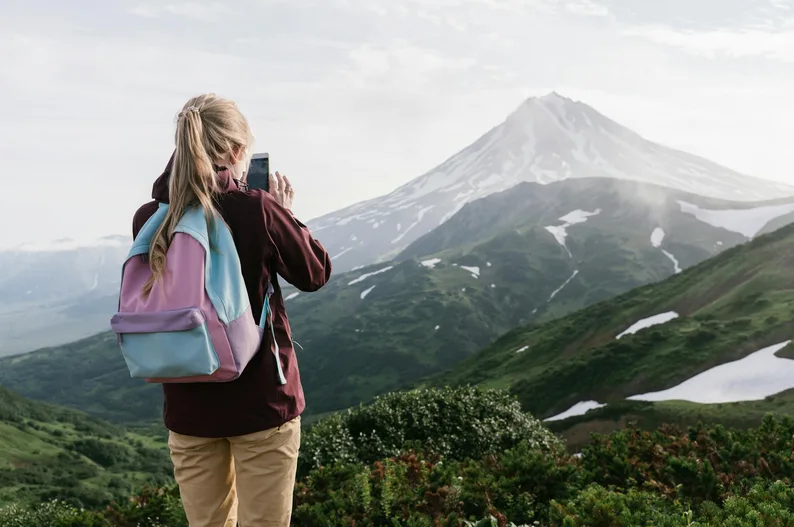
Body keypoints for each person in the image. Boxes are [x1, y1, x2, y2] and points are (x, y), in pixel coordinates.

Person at [131, 93, 332, 527]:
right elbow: (314, 273)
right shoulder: (257, 209)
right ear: (239, 152)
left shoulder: (150, 216)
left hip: (188, 407)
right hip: (261, 402)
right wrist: (285, 213)